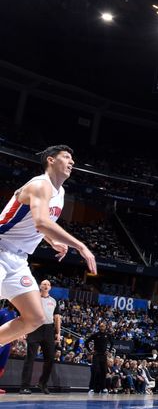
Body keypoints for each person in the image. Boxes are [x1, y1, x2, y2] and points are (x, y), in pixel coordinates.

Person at [0, 145, 97, 349]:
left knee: (35, 317)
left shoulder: (59, 192)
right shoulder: (40, 185)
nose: (72, 162)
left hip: (18, 259)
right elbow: (41, 222)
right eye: (66, 157)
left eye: (72, 159)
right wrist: (81, 246)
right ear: (51, 160)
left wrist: (52, 241)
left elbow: (35, 223)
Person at [20, 279, 62, 395]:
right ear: (40, 286)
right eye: (44, 284)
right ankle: (24, 386)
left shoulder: (54, 301)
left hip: (48, 330)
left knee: (50, 359)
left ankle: (42, 383)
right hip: (34, 328)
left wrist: (58, 333)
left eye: (48, 284)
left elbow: (57, 317)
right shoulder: (33, 298)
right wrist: (24, 329)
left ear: (50, 288)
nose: (46, 286)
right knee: (30, 358)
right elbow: (26, 313)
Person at [86, 322, 112, 393]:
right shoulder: (95, 335)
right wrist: (90, 351)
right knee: (96, 371)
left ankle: (103, 388)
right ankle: (92, 388)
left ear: (105, 327)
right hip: (96, 355)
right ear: (99, 327)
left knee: (104, 372)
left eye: (103, 326)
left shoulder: (108, 335)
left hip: (104, 356)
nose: (102, 327)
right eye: (101, 326)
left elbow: (112, 343)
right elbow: (86, 342)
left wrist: (108, 351)